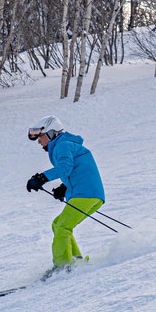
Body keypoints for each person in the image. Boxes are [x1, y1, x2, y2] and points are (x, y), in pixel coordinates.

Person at [25, 115, 106, 273]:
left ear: (51, 133)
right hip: (87, 194)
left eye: (40, 137)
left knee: (62, 226)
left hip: (85, 194)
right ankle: (75, 260)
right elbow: (76, 169)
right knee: (58, 224)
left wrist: (41, 178)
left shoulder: (63, 145)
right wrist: (64, 187)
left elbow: (65, 168)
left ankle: (63, 266)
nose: (39, 142)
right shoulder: (64, 145)